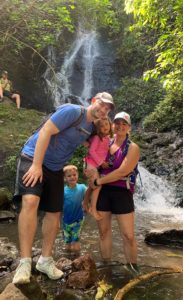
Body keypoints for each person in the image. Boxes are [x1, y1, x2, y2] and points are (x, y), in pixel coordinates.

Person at [12, 92, 114, 284]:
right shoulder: (72, 111)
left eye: (107, 108)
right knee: (31, 201)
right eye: (102, 104)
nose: (103, 110)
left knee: (54, 213)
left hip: (56, 168)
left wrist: (91, 168)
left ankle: (45, 260)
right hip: (32, 157)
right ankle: (24, 262)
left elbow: (93, 152)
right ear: (93, 100)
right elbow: (45, 132)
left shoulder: (93, 127)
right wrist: (36, 165)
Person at [89, 112, 140, 274]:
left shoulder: (132, 147)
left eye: (124, 123)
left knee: (129, 235)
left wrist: (98, 181)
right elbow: (92, 159)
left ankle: (133, 267)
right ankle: (106, 267)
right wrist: (90, 174)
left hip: (121, 192)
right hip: (103, 192)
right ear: (112, 125)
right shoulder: (105, 142)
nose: (120, 126)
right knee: (104, 233)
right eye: (117, 122)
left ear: (129, 127)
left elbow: (122, 171)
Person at [83, 117, 112, 220]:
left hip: (97, 165)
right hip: (91, 164)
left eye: (106, 124)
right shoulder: (97, 138)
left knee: (92, 185)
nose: (105, 127)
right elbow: (92, 151)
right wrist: (101, 162)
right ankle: (93, 209)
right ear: (97, 129)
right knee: (97, 185)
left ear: (110, 125)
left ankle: (85, 202)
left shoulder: (108, 138)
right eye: (101, 126)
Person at [63, 165, 86, 252]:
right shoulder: (63, 191)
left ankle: (77, 257)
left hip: (78, 220)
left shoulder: (82, 187)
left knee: (75, 240)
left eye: (74, 174)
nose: (72, 177)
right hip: (66, 220)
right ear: (65, 178)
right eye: (69, 176)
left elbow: (89, 196)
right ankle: (67, 257)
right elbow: (59, 207)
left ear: (77, 175)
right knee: (67, 240)